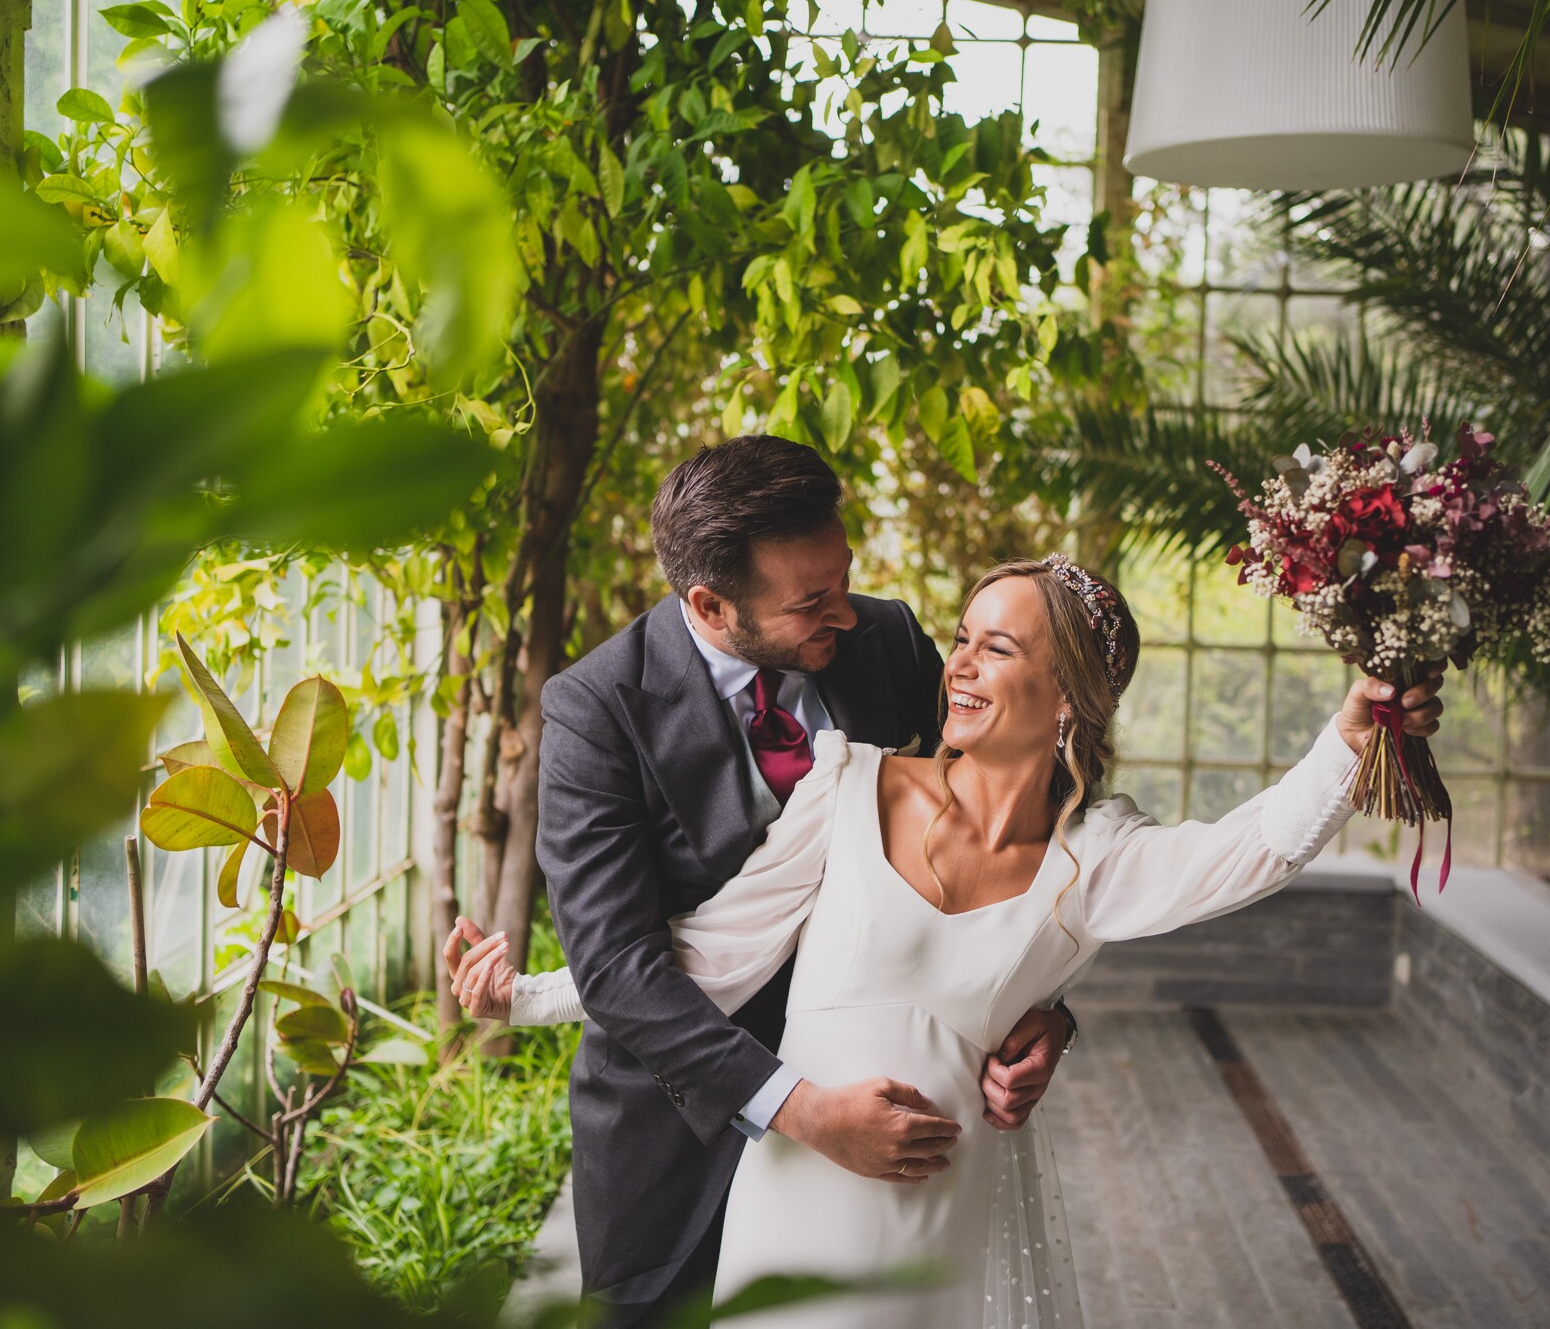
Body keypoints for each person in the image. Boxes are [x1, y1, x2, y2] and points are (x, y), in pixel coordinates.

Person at [451, 551, 1446, 1327]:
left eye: (996, 648)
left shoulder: (1094, 857)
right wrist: (524, 997)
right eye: (963, 638)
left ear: (1067, 698)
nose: (958, 664)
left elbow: (1253, 849)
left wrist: (1351, 734)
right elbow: (709, 952)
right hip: (792, 1187)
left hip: (938, 1202)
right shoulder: (848, 783)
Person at [444, 436, 1076, 1327]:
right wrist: (802, 1109)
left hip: (888, 1143)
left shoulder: (888, 639)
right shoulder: (595, 709)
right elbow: (620, 968)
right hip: (677, 1143)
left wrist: (1043, 1020)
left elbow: (1013, 830)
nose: (844, 615)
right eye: (811, 602)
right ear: (709, 602)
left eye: (843, 580)